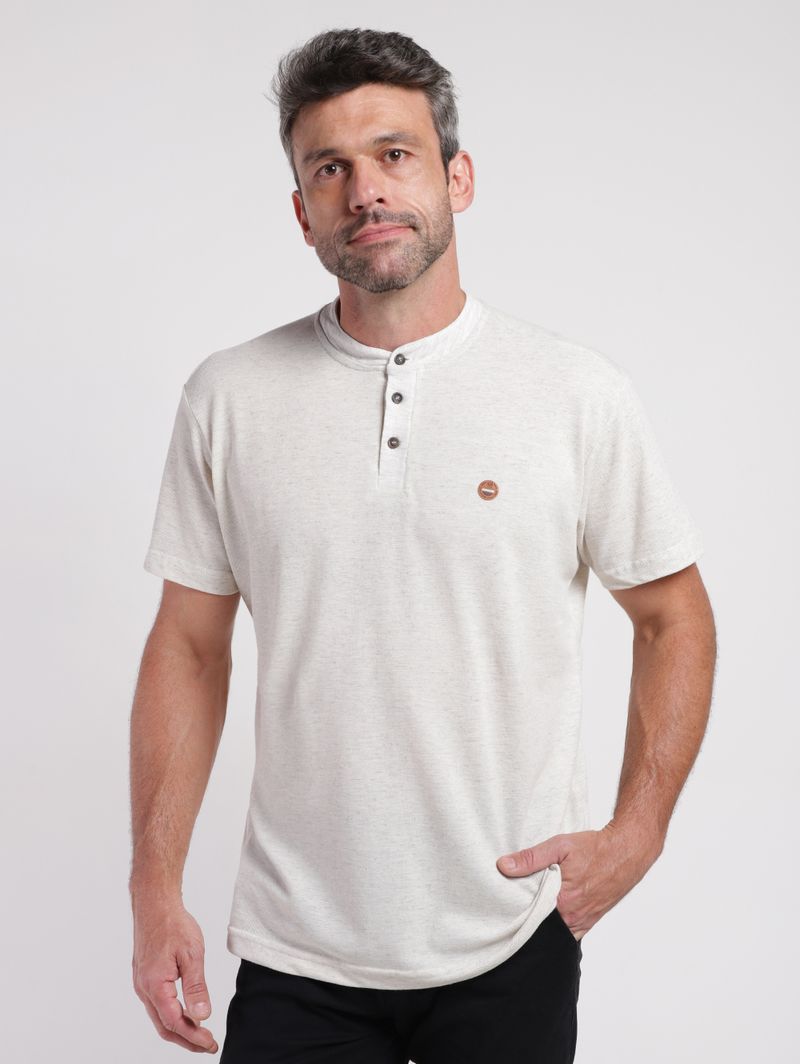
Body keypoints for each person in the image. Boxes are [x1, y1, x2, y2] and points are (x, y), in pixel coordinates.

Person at [129, 26, 717, 1063]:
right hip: (295, 946)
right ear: (302, 210)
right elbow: (188, 646)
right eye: (329, 167)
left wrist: (639, 832)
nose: (365, 190)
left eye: (394, 154)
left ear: (457, 177)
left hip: (510, 934)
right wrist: (153, 887)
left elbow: (673, 616)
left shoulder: (574, 394)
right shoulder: (229, 397)